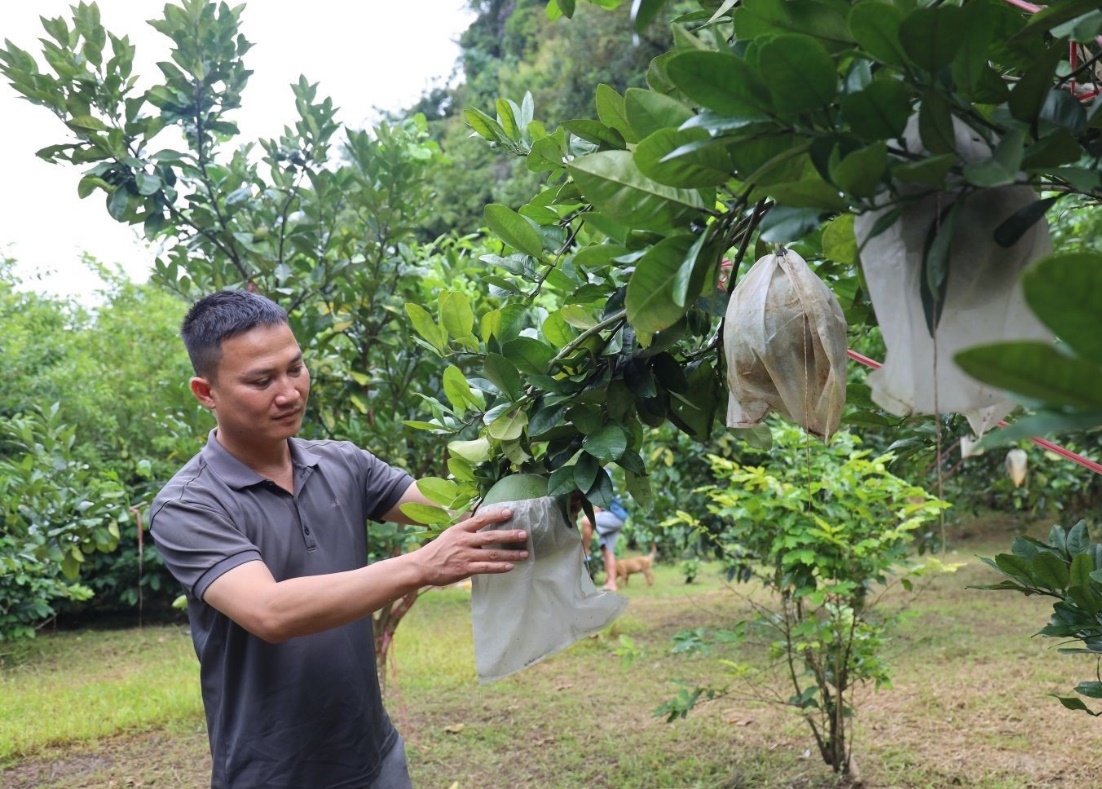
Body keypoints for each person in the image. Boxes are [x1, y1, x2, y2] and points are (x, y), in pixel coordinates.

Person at [149, 290, 529, 789]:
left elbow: (452, 506)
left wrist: (537, 489)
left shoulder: (341, 463)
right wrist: (422, 565)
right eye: (261, 380)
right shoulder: (188, 504)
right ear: (206, 392)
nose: (289, 392)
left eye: (295, 367)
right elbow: (270, 611)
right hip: (273, 773)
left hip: (374, 754)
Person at [579, 494, 628, 592]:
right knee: (607, 551)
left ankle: (585, 551)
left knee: (586, 521)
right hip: (620, 518)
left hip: (613, 515)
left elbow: (600, 500)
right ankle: (611, 584)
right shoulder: (621, 481)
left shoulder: (606, 478)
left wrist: (592, 515)